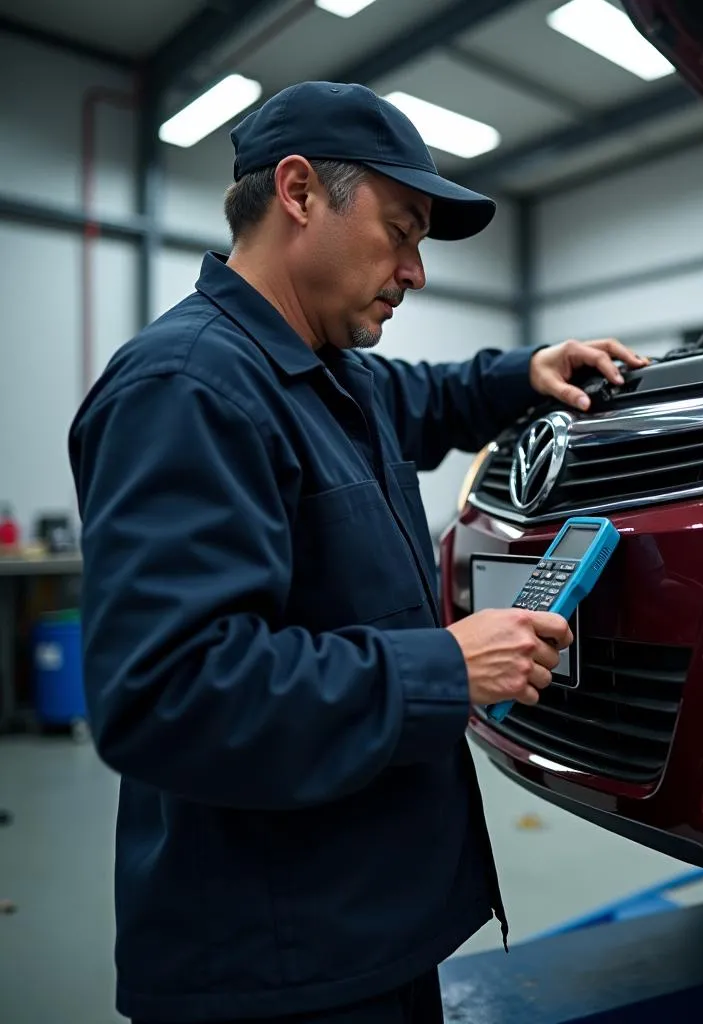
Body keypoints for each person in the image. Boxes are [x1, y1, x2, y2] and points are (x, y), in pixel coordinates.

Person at [68, 81, 647, 1024]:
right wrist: (443, 668)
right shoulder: (188, 390)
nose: (414, 270)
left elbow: (431, 396)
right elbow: (166, 694)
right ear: (298, 193)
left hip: (366, 932)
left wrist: (524, 372)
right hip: (277, 972)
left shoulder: (329, 373)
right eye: (401, 230)